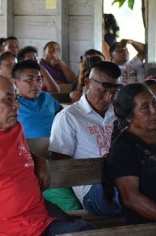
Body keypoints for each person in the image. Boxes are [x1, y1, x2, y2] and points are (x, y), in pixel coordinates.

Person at [0, 74, 96, 235]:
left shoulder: (15, 129)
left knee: (87, 232)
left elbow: (13, 155)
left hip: (39, 225)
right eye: (8, 99)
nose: (17, 105)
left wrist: (39, 160)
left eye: (16, 98)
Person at [49, 61, 123, 216]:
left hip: (125, 180)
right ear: (88, 83)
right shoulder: (69, 117)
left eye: (114, 91)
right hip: (93, 188)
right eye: (102, 92)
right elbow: (60, 164)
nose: (108, 98)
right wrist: (99, 166)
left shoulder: (118, 114)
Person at [11, 60, 81, 212]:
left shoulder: (47, 98)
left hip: (63, 159)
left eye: (38, 79)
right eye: (30, 79)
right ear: (14, 82)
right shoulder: (10, 105)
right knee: (72, 206)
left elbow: (65, 117)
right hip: (36, 168)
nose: (36, 83)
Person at [103, 83, 156, 225]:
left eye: (154, 103)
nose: (153, 111)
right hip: (147, 223)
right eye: (145, 107)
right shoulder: (123, 148)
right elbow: (131, 198)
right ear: (128, 116)